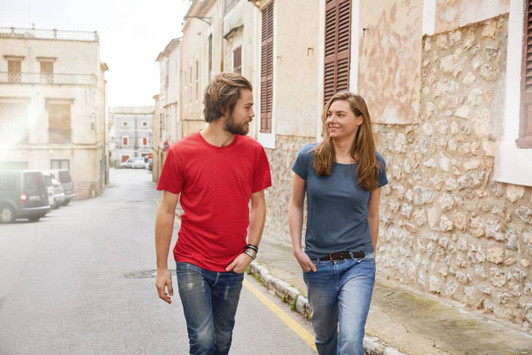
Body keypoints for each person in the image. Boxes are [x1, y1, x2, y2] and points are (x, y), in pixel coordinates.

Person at [155, 72, 271, 355]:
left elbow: (258, 204)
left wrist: (250, 251)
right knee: (203, 340)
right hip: (192, 260)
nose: (253, 114)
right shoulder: (181, 152)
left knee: (222, 341)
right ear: (224, 108)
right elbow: (167, 211)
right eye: (247, 107)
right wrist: (161, 268)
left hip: (233, 265)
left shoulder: (254, 151)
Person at [288, 92, 388, 355]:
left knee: (352, 340)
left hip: (358, 262)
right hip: (318, 264)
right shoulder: (309, 157)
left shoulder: (374, 163)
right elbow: (295, 204)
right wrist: (297, 248)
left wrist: (370, 256)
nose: (331, 119)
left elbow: (372, 215)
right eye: (330, 114)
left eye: (340, 114)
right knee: (325, 339)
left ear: (359, 120)